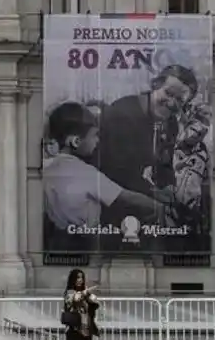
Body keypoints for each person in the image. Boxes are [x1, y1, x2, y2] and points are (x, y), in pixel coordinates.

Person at [43, 102, 171, 236]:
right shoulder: (86, 173)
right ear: (76, 141)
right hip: (84, 240)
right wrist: (158, 207)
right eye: (95, 135)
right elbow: (126, 197)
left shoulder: (46, 167)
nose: (98, 140)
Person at [96, 64, 201, 227]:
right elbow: (116, 172)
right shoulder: (122, 113)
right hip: (104, 197)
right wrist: (154, 193)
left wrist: (169, 187)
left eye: (179, 100)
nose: (171, 102)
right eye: (168, 93)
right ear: (156, 85)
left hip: (133, 192)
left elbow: (164, 164)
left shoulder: (171, 123)